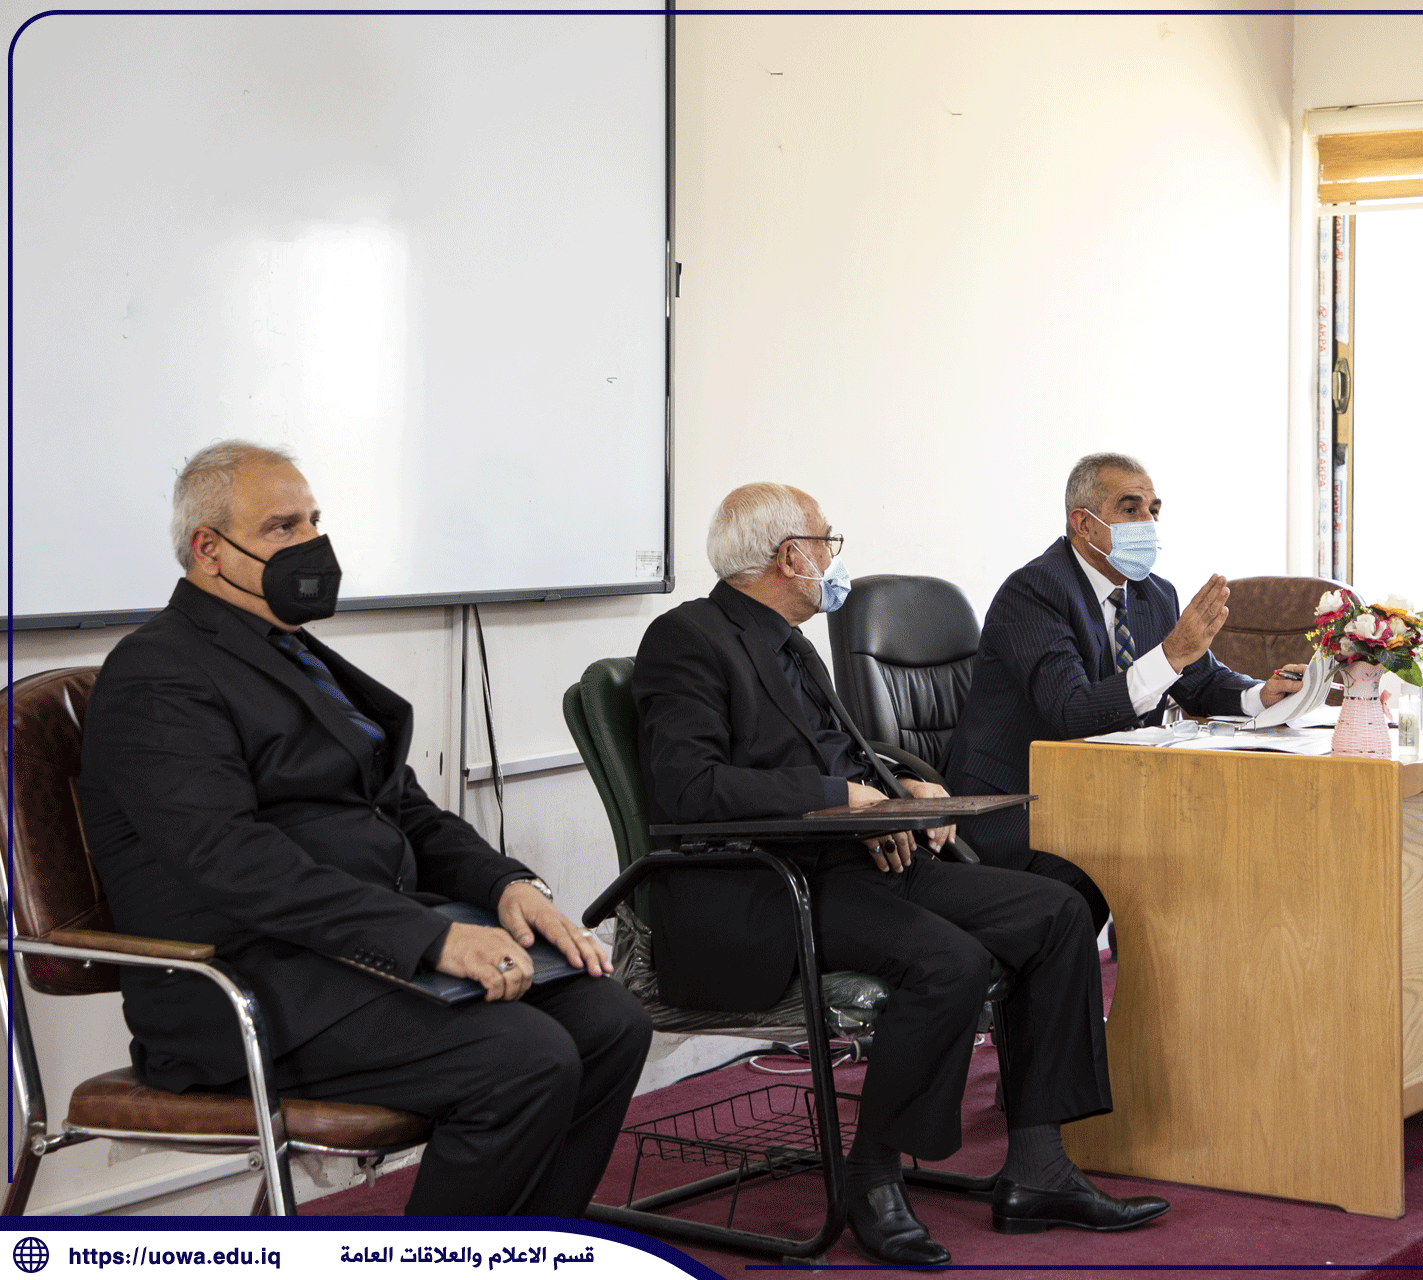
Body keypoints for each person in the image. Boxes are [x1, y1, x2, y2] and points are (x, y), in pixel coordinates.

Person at [77, 441, 653, 1216]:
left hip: (350, 959)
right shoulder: (157, 674)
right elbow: (232, 861)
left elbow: (404, 808)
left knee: (610, 1020)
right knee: (525, 1059)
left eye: (314, 519)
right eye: (283, 526)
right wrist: (431, 940)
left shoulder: (291, 654)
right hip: (247, 983)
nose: (313, 542)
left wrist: (506, 885)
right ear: (208, 550)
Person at [630, 482, 1170, 1265]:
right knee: (948, 961)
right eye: (826, 541)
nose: (833, 557)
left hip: (855, 859)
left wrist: (900, 792)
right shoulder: (687, 639)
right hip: (770, 884)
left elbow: (837, 757)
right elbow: (688, 788)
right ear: (790, 556)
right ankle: (873, 1173)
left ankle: (1039, 1167)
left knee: (1054, 914)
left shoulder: (794, 643)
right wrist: (840, 800)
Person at [946, 452, 1304, 927]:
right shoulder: (1034, 592)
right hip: (1018, 806)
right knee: (1142, 861)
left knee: (1211, 841)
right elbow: (1071, 711)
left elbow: (1201, 681)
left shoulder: (1155, 593)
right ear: (1083, 524)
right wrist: (1169, 656)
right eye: (1130, 509)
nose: (1148, 524)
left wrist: (1261, 695)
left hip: (1107, 796)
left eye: (1154, 510)